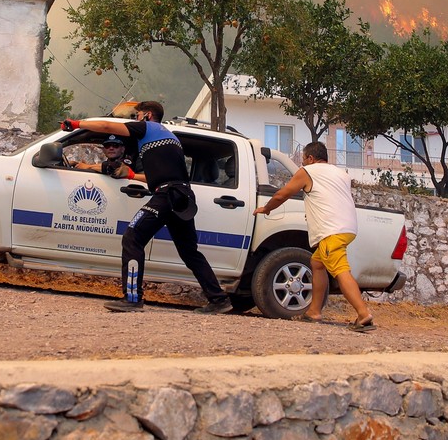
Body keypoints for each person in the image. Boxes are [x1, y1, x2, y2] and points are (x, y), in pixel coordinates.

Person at [61, 101, 232, 314]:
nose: (134, 119)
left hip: (166, 196)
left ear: (147, 115)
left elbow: (107, 127)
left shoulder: (147, 128)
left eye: (137, 115)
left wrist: (77, 123)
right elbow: (160, 174)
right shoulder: (170, 138)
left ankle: (132, 299)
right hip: (182, 196)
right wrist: (132, 175)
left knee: (132, 237)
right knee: (190, 252)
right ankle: (219, 300)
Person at [254, 141, 374, 332]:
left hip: (330, 230)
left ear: (310, 158)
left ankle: (363, 314)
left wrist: (266, 208)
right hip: (347, 227)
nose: (302, 163)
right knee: (317, 263)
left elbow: (283, 194)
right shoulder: (340, 174)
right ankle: (314, 311)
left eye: (303, 159)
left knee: (341, 269)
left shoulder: (308, 171)